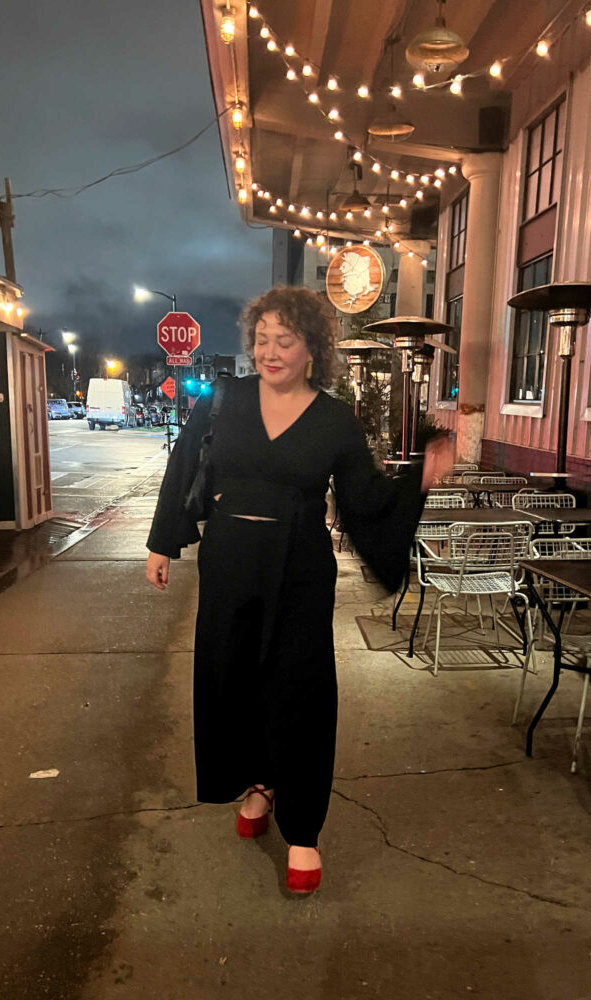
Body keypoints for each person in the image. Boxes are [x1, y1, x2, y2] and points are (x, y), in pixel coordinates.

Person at [146, 286, 424, 893]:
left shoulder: (332, 419)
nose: (269, 352)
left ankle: (303, 831)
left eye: (285, 341)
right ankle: (259, 784)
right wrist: (163, 542)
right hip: (228, 564)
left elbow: (365, 501)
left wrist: (423, 475)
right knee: (234, 677)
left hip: (299, 567)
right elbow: (184, 465)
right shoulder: (222, 401)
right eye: (262, 338)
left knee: (298, 689)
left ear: (310, 351)